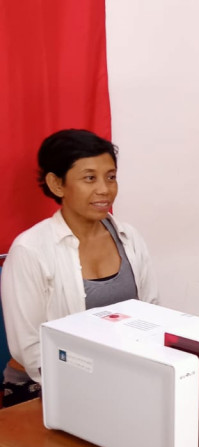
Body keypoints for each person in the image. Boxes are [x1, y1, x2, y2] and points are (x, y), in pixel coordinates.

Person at [1, 129, 158, 405]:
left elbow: (151, 312)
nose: (105, 189)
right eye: (89, 178)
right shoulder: (30, 250)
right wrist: (94, 389)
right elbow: (30, 349)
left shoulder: (129, 237)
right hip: (45, 382)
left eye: (111, 177)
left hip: (119, 375)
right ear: (56, 184)